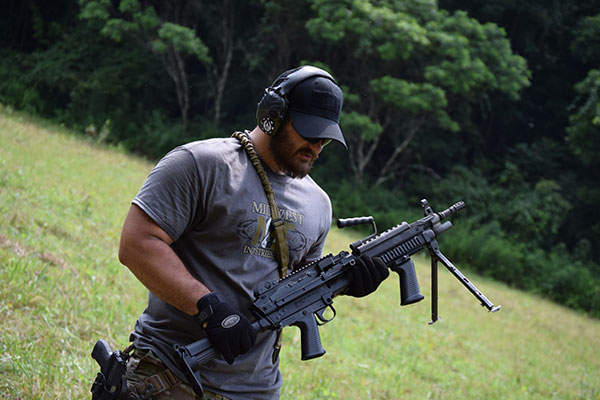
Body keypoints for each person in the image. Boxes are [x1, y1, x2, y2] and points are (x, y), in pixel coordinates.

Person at [117, 65, 389, 400]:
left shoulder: (318, 204)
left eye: (324, 138)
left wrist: (346, 281)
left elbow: (300, 285)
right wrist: (206, 307)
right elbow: (137, 243)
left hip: (257, 390)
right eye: (308, 132)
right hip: (171, 375)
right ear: (273, 116)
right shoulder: (201, 164)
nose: (316, 146)